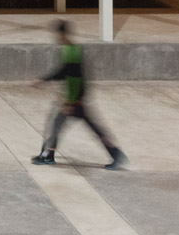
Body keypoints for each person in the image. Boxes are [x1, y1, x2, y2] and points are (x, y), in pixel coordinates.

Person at [32, 19, 128, 169]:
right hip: (75, 99)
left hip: (75, 100)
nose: (57, 38)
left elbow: (74, 77)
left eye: (58, 34)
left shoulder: (72, 52)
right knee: (81, 127)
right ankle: (116, 153)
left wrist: (72, 100)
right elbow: (67, 73)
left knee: (59, 125)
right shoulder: (72, 49)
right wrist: (46, 81)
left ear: (63, 34)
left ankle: (47, 155)